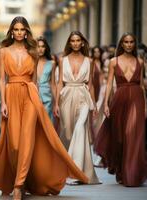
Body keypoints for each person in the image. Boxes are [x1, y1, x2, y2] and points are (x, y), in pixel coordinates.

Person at [0, 16, 88, 200]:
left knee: (27, 140)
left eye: (22, 29)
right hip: (11, 94)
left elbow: (35, 81)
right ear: (11, 31)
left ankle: (18, 185)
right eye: (15, 29)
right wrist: (4, 103)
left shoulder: (33, 51)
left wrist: (38, 101)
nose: (19, 33)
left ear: (27, 32)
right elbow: (1, 80)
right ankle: (20, 179)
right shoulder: (4, 52)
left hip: (30, 95)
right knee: (14, 144)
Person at [94, 33, 147, 187]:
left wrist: (144, 106)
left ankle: (131, 174)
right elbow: (110, 84)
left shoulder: (140, 61)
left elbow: (143, 86)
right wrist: (105, 104)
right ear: (121, 44)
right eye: (126, 42)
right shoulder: (113, 61)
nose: (129, 44)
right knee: (120, 137)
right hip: (119, 101)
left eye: (132, 42)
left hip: (137, 100)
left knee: (133, 136)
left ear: (134, 44)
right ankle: (121, 170)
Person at [54, 31, 100, 184]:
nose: (75, 43)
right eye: (72, 40)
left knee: (80, 128)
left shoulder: (89, 60)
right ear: (69, 43)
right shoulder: (62, 60)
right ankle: (67, 168)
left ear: (82, 42)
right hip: (66, 96)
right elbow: (59, 82)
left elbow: (91, 84)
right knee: (67, 133)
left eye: (78, 40)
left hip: (83, 95)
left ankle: (78, 172)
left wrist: (93, 104)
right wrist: (56, 103)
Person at [36, 36, 56, 121]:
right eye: (38, 46)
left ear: (46, 48)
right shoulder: (31, 62)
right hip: (34, 95)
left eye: (42, 46)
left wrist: (57, 103)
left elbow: (53, 83)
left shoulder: (52, 63)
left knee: (47, 122)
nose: (40, 49)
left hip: (47, 97)